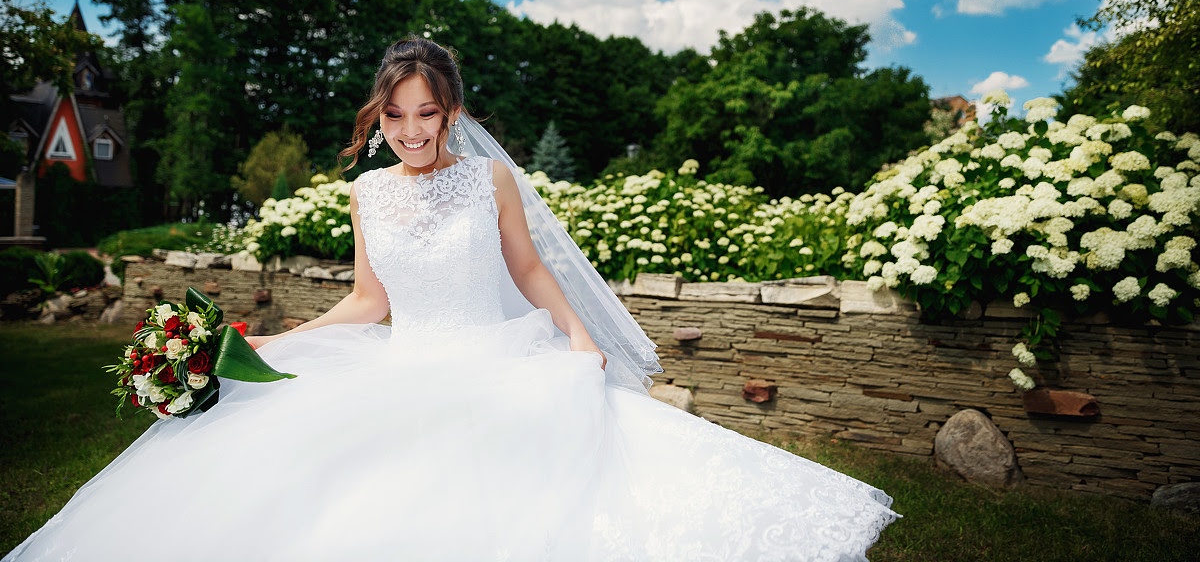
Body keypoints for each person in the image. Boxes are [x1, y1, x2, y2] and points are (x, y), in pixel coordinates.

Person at [4, 37, 897, 561]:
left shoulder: (486, 182)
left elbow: (531, 273)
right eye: (394, 117)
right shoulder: (366, 194)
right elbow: (367, 302)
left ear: (452, 109)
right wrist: (280, 343)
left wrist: (580, 341)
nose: (410, 132)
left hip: (497, 362)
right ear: (379, 117)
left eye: (425, 114)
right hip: (406, 361)